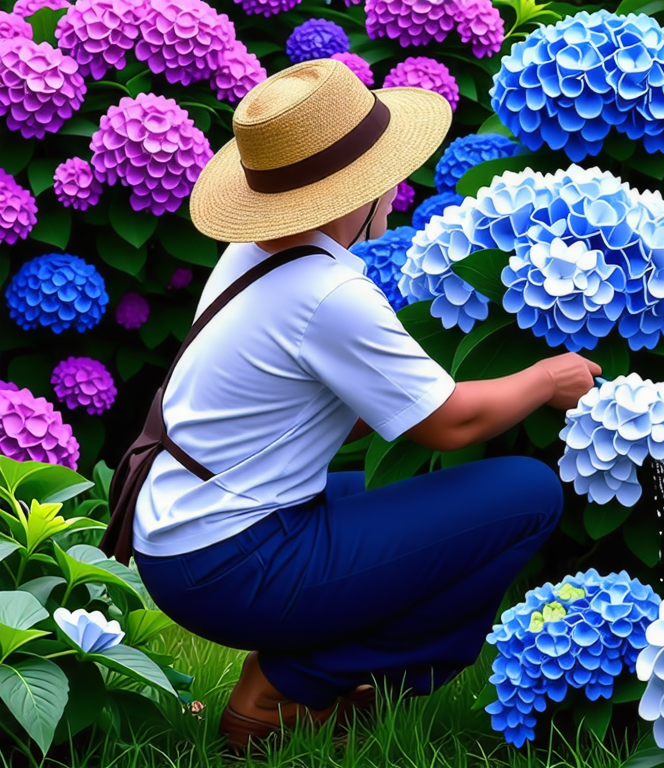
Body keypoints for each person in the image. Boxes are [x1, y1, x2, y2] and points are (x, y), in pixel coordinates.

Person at [128, 59, 599, 751]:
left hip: (181, 535)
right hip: (231, 564)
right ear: (349, 195)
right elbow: (451, 423)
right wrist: (544, 380)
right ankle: (296, 685)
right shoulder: (328, 292)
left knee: (404, 494)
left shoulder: (249, 254)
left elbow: (319, 403)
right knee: (525, 495)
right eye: (383, 176)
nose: (395, 189)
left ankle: (302, 673)